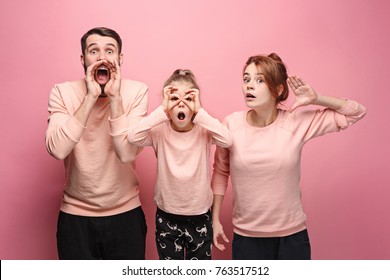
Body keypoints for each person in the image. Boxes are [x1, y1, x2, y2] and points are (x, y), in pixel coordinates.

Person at [211, 53, 367, 260]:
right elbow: (221, 172)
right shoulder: (231, 125)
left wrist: (316, 98)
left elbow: (356, 112)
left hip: (292, 239)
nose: (249, 86)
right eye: (246, 79)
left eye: (259, 80)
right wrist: (215, 219)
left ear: (278, 90)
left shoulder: (295, 122)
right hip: (247, 239)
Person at [45, 27, 149, 260]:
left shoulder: (137, 91)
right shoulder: (62, 92)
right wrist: (90, 97)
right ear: (83, 59)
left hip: (126, 214)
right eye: (94, 51)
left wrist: (114, 98)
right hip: (75, 217)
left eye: (109, 51)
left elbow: (127, 153)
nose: (102, 57)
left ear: (120, 59)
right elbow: (57, 149)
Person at [127, 69, 232, 260]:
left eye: (188, 99)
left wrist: (199, 110)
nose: (181, 103)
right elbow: (133, 137)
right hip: (167, 217)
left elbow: (227, 140)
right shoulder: (160, 130)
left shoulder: (204, 130)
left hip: (200, 215)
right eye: (174, 98)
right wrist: (162, 109)